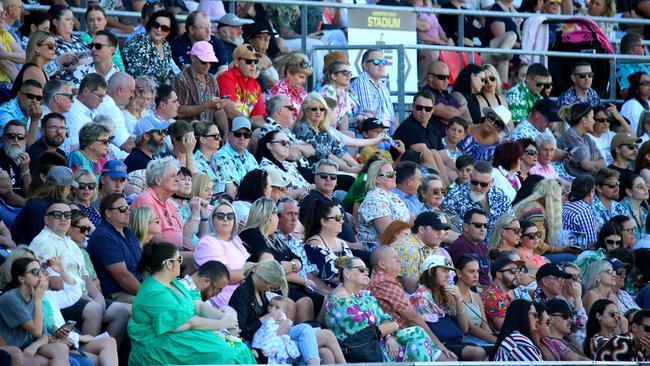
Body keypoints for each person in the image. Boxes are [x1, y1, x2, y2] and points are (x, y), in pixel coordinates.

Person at [128, 242, 256, 365]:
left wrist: (226, 318)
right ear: (169, 264)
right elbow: (183, 324)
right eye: (179, 260)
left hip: (178, 337)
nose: (181, 263)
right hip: (160, 345)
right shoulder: (154, 292)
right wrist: (221, 324)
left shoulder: (173, 283)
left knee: (238, 349)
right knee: (226, 354)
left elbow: (198, 306)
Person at [30, 200, 129, 343]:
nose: (63, 218)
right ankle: (90, 353)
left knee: (120, 311)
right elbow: (55, 283)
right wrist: (87, 298)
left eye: (67, 215)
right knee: (94, 309)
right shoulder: (43, 242)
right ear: (46, 219)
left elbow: (85, 277)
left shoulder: (71, 243)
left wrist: (98, 297)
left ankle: (105, 352)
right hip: (59, 299)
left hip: (80, 296)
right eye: (57, 215)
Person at [229, 259, 345, 364]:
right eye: (272, 287)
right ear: (264, 279)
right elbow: (240, 331)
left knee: (325, 353)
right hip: (261, 344)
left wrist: (287, 321)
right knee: (324, 339)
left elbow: (272, 316)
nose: (272, 290)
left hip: (272, 336)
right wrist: (265, 318)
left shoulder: (260, 290)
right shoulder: (243, 293)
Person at [325, 256, 437, 362]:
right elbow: (365, 333)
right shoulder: (340, 302)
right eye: (361, 270)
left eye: (367, 269)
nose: (366, 272)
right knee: (418, 338)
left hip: (381, 343)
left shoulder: (363, 295)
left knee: (417, 333)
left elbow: (384, 317)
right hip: (365, 352)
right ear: (347, 273)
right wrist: (393, 326)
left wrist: (389, 337)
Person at [369, 247, 460, 361]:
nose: (400, 261)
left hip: (408, 336)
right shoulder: (384, 281)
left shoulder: (384, 280)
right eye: (395, 258)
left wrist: (459, 299)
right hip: (404, 339)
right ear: (382, 264)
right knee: (453, 361)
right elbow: (412, 317)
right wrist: (438, 344)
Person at [239, 197, 317, 322]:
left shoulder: (274, 238)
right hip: (268, 286)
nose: (278, 218)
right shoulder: (251, 234)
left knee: (314, 299)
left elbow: (297, 261)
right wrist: (301, 278)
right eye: (277, 214)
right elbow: (272, 267)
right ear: (269, 216)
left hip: (285, 284)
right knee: (303, 302)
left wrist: (291, 265)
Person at [410, 254, 486, 360]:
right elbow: (429, 331)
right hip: (440, 345)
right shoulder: (421, 296)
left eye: (448, 272)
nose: (448, 276)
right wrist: (440, 346)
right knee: (478, 352)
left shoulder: (443, 292)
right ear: (431, 272)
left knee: (491, 352)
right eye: (444, 271)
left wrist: (459, 299)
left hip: (455, 341)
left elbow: (464, 328)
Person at [0, 257, 70, 365]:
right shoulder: (11, 299)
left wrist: (34, 346)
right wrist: (38, 301)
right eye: (35, 272)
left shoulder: (34, 296)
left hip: (27, 347)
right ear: (22, 278)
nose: (40, 275)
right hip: (11, 351)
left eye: (41, 271)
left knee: (61, 349)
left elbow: (44, 335)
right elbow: (36, 331)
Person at [441, 161, 513, 240]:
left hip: (497, 248)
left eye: (483, 184)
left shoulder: (500, 196)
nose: (478, 187)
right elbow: (444, 230)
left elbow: (511, 223)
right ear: (470, 177)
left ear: (491, 182)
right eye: (474, 182)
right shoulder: (455, 196)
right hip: (467, 248)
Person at [294, 93, 360, 176]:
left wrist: (357, 166)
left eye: (322, 109)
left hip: (328, 171)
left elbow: (338, 150)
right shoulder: (302, 128)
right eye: (314, 109)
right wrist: (349, 169)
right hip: (312, 173)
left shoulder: (323, 129)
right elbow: (324, 153)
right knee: (350, 180)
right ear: (306, 112)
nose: (318, 112)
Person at [131, 156, 186, 250]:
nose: (178, 179)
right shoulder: (145, 200)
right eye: (173, 176)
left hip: (174, 253)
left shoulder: (169, 203)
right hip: (157, 253)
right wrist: (180, 251)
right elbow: (154, 237)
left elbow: (182, 235)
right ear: (158, 180)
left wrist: (195, 249)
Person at [11, 165, 76, 245]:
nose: (69, 191)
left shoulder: (39, 202)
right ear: (65, 188)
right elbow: (38, 240)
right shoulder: (39, 206)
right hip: (27, 251)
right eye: (70, 188)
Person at [391, 211, 453, 293]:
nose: (441, 233)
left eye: (442, 229)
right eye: (436, 229)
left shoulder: (428, 246)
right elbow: (412, 289)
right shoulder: (410, 249)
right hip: (400, 295)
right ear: (422, 230)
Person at [172, 41, 228, 130]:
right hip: (188, 133)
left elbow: (218, 110)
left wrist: (226, 132)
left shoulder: (211, 79)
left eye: (210, 62)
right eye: (204, 62)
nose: (207, 65)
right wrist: (206, 106)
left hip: (209, 134)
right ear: (193, 58)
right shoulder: (181, 79)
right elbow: (178, 111)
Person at [299, 159, 356, 244]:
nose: (328, 179)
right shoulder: (312, 200)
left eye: (333, 177)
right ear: (315, 178)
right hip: (334, 252)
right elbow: (319, 234)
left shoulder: (336, 201)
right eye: (323, 176)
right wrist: (350, 245)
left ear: (336, 181)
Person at [392, 91, 448, 175]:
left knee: (437, 155)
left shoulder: (432, 128)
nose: (423, 112)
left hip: (418, 172)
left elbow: (445, 159)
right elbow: (425, 156)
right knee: (430, 153)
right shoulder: (409, 127)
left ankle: (449, 187)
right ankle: (441, 187)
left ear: (433, 109)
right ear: (413, 107)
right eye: (419, 107)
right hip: (402, 173)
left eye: (427, 109)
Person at [358, 160, 410, 248]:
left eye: (394, 173)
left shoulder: (391, 195)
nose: (394, 177)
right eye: (390, 175)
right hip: (380, 250)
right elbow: (388, 233)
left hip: (398, 244)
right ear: (377, 178)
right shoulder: (375, 198)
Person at [303, 200, 353, 287]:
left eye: (342, 217)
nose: (342, 221)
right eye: (338, 218)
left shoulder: (342, 243)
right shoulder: (314, 245)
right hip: (330, 294)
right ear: (324, 222)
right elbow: (331, 275)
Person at [216, 43, 265, 127]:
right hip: (230, 129)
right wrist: (252, 123)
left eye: (256, 61)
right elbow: (230, 112)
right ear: (236, 62)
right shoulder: (227, 77)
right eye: (248, 61)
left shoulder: (256, 85)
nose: (253, 65)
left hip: (248, 129)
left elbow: (258, 118)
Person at [123, 10, 178, 84]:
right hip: (138, 89)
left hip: (157, 89)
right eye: (156, 25)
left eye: (164, 28)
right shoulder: (139, 42)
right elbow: (141, 76)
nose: (159, 30)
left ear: (170, 32)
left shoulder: (166, 45)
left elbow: (169, 72)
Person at [170, 11, 229, 75]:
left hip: (214, 81)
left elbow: (223, 69)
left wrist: (211, 83)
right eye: (204, 28)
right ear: (192, 29)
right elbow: (188, 70)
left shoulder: (214, 41)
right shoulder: (178, 44)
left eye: (209, 27)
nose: (209, 31)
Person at [455, 254, 497, 344]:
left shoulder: (476, 296)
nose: (476, 275)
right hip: (465, 342)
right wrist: (498, 342)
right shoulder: (453, 294)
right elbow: (471, 328)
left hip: (482, 340)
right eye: (471, 271)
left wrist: (495, 338)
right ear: (459, 273)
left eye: (477, 271)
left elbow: (485, 326)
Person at [350, 49, 395, 132]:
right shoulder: (362, 83)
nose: (381, 65)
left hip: (387, 133)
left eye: (383, 62)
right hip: (374, 134)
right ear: (365, 66)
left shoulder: (382, 85)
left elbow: (392, 118)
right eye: (376, 62)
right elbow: (368, 121)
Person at [421, 61, 470, 138]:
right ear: (430, 78)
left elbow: (467, 118)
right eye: (442, 77)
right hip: (437, 142)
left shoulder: (446, 93)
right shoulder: (426, 94)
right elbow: (452, 114)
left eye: (448, 77)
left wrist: (453, 119)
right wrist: (461, 111)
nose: (446, 80)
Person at [256, 130, 310, 197]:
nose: (287, 146)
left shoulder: (288, 165)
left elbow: (306, 184)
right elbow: (279, 196)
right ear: (269, 146)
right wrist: (307, 189)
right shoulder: (266, 168)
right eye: (283, 143)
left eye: (288, 143)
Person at [557, 103, 605, 177]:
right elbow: (585, 165)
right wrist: (594, 163)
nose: (594, 122)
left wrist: (590, 163)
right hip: (573, 181)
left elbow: (603, 162)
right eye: (592, 118)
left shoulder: (587, 138)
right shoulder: (571, 135)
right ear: (584, 120)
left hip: (587, 180)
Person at [212, 116, 258, 189]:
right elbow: (230, 191)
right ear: (228, 134)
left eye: (246, 135)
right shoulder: (221, 156)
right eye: (238, 133)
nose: (242, 138)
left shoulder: (250, 157)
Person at [64, 73, 107, 152]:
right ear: (86, 91)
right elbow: (76, 146)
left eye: (103, 97)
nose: (102, 100)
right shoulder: (73, 112)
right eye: (99, 96)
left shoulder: (93, 110)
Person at [447, 209, 490, 286]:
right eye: (478, 225)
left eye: (485, 226)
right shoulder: (461, 246)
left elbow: (488, 274)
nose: (483, 229)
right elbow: (469, 280)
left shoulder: (482, 246)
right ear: (466, 227)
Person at [49, 5, 91, 82]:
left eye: (72, 19)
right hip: (66, 86)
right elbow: (45, 70)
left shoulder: (80, 41)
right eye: (68, 19)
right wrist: (60, 62)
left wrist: (81, 63)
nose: (72, 23)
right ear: (55, 22)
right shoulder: (50, 43)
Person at [319, 60, 362, 132]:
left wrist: (344, 137)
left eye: (349, 73)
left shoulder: (343, 92)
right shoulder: (327, 90)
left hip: (335, 132)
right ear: (334, 76)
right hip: (323, 131)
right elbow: (324, 120)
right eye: (344, 73)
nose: (348, 75)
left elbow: (344, 119)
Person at [79, 5, 125, 72]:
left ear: (105, 21)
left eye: (99, 19)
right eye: (91, 20)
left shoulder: (111, 39)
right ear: (86, 22)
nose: (95, 23)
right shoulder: (81, 41)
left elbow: (121, 67)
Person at [268, 52, 312, 119]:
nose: (304, 81)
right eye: (301, 77)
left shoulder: (301, 90)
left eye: (305, 78)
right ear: (289, 72)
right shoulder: (279, 91)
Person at [0, 79, 42, 146]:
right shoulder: (5, 113)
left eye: (38, 98)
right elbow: (24, 147)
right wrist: (34, 121)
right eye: (30, 96)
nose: (34, 101)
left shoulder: (37, 113)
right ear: (19, 95)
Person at [562, 175, 598, 247]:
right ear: (591, 191)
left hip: (561, 248)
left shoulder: (565, 205)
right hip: (574, 253)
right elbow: (591, 243)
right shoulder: (584, 211)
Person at [0, 120, 30, 206]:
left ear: (25, 140)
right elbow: (7, 198)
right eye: (11, 136)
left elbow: (29, 193)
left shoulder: (26, 158)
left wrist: (25, 170)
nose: (16, 140)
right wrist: (30, 205)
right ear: (3, 138)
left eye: (20, 137)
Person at [617, 33, 650, 98]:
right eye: (642, 46)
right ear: (633, 48)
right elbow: (624, 93)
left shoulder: (641, 65)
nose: (644, 50)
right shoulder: (620, 67)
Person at [619, 173, 648, 240]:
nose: (645, 189)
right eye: (641, 186)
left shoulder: (644, 211)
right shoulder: (619, 208)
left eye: (645, 185)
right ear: (629, 191)